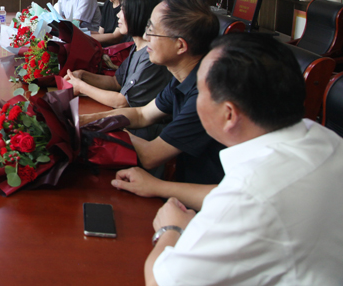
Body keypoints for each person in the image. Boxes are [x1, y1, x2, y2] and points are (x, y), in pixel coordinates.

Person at [139, 33, 343, 285]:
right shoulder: (325, 139)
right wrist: (157, 187)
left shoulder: (248, 196)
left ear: (229, 114)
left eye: (199, 92)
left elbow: (159, 281)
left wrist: (171, 229)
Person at [79, 0, 224, 184]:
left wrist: (104, 126)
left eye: (152, 31)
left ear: (180, 46)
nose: (146, 36)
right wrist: (86, 120)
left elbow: (151, 155)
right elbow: (141, 114)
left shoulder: (204, 94)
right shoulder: (181, 78)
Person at [66, 0, 170, 110]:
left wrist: (81, 87)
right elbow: (116, 82)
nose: (118, 15)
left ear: (138, 12)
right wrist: (82, 75)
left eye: (123, 10)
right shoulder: (136, 47)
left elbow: (121, 102)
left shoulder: (151, 55)